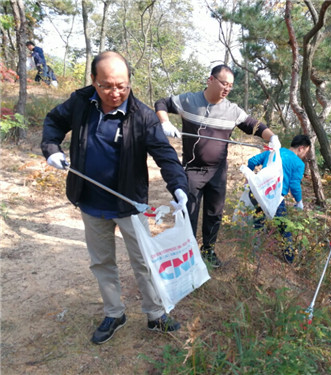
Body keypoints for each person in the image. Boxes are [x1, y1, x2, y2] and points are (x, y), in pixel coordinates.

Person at [41, 51, 189, 345]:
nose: (115, 92)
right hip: (90, 201)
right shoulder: (81, 102)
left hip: (129, 203)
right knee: (102, 262)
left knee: (144, 261)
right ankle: (114, 312)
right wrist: (52, 149)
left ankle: (156, 314)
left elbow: (165, 155)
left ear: (130, 82)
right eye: (107, 85)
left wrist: (179, 186)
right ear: (94, 81)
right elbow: (53, 123)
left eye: (122, 85)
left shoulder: (143, 116)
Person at [154, 64, 280, 268]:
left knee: (214, 213)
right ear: (210, 80)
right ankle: (187, 252)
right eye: (224, 83)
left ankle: (208, 251)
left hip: (218, 172)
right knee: (189, 212)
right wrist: (165, 122)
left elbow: (255, 126)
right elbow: (161, 102)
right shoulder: (189, 101)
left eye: (230, 85)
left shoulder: (232, 110)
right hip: (192, 170)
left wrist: (273, 137)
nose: (227, 88)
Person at [247, 134, 311, 263]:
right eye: (306, 152)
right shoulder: (298, 163)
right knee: (284, 226)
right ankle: (289, 258)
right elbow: (294, 185)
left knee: (259, 219)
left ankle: (253, 249)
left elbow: (252, 161)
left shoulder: (273, 151)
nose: (305, 156)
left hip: (259, 191)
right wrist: (299, 201)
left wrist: (249, 178)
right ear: (301, 148)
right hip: (274, 198)